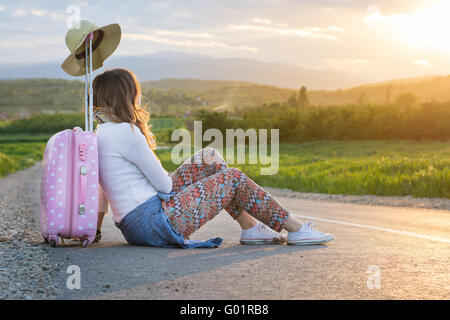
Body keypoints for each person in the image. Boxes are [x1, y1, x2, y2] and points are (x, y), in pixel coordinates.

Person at [93, 68, 333, 248]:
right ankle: (296, 228)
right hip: (154, 222)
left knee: (210, 158)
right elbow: (164, 185)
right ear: (128, 96)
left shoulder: (100, 133)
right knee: (233, 178)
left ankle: (250, 228)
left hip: (133, 226)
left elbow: (102, 190)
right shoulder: (128, 132)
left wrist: (95, 228)